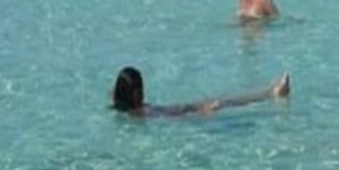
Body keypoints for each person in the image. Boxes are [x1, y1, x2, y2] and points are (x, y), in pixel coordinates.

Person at [112, 66, 291, 117]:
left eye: (141, 87)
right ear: (128, 93)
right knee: (223, 103)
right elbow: (170, 116)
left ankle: (270, 92)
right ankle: (271, 93)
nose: (142, 92)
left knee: (223, 101)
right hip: (185, 113)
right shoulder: (141, 112)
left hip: (183, 109)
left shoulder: (126, 108)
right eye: (137, 89)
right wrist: (198, 114)